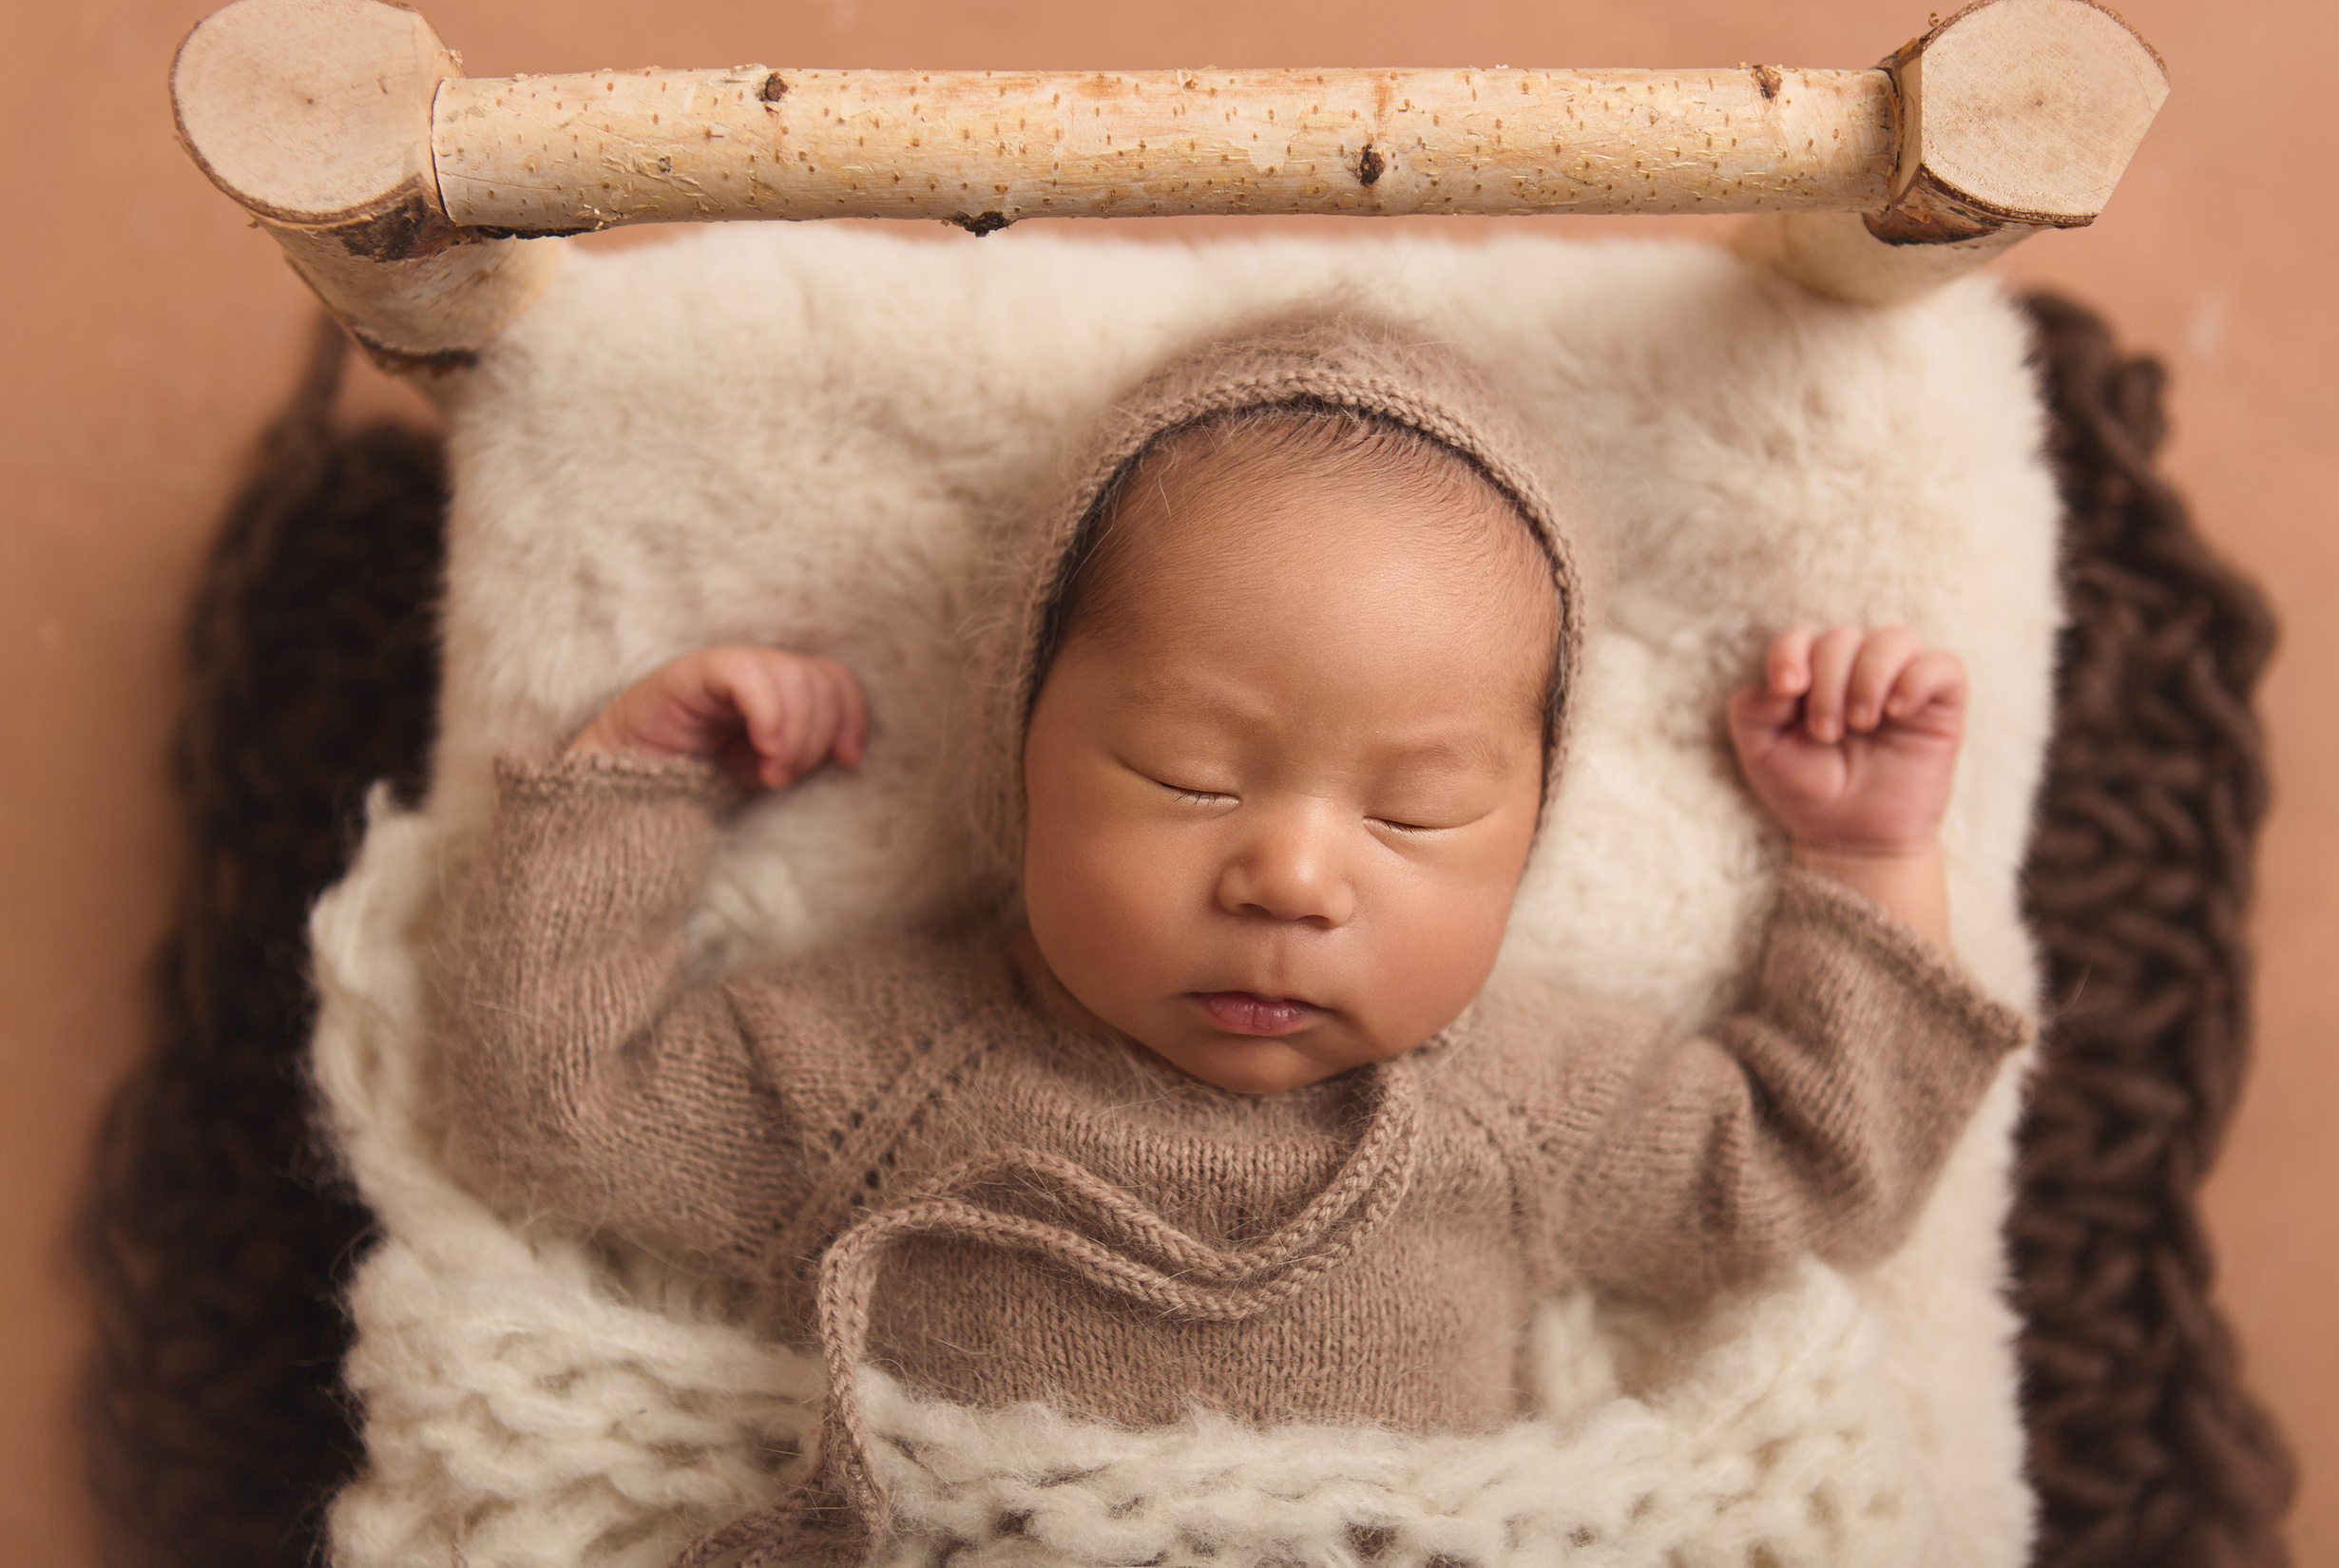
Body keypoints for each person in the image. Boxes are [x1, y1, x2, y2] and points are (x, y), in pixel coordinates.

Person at [438, 316, 2029, 1564]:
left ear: (1530, 838)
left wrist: (1867, 848)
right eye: (1190, 778)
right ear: (1020, 753)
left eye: (1414, 815)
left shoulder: (1524, 1099)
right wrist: (640, 782)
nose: (1290, 874)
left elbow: (1820, 1167)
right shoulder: (887, 1060)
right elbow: (557, 1109)